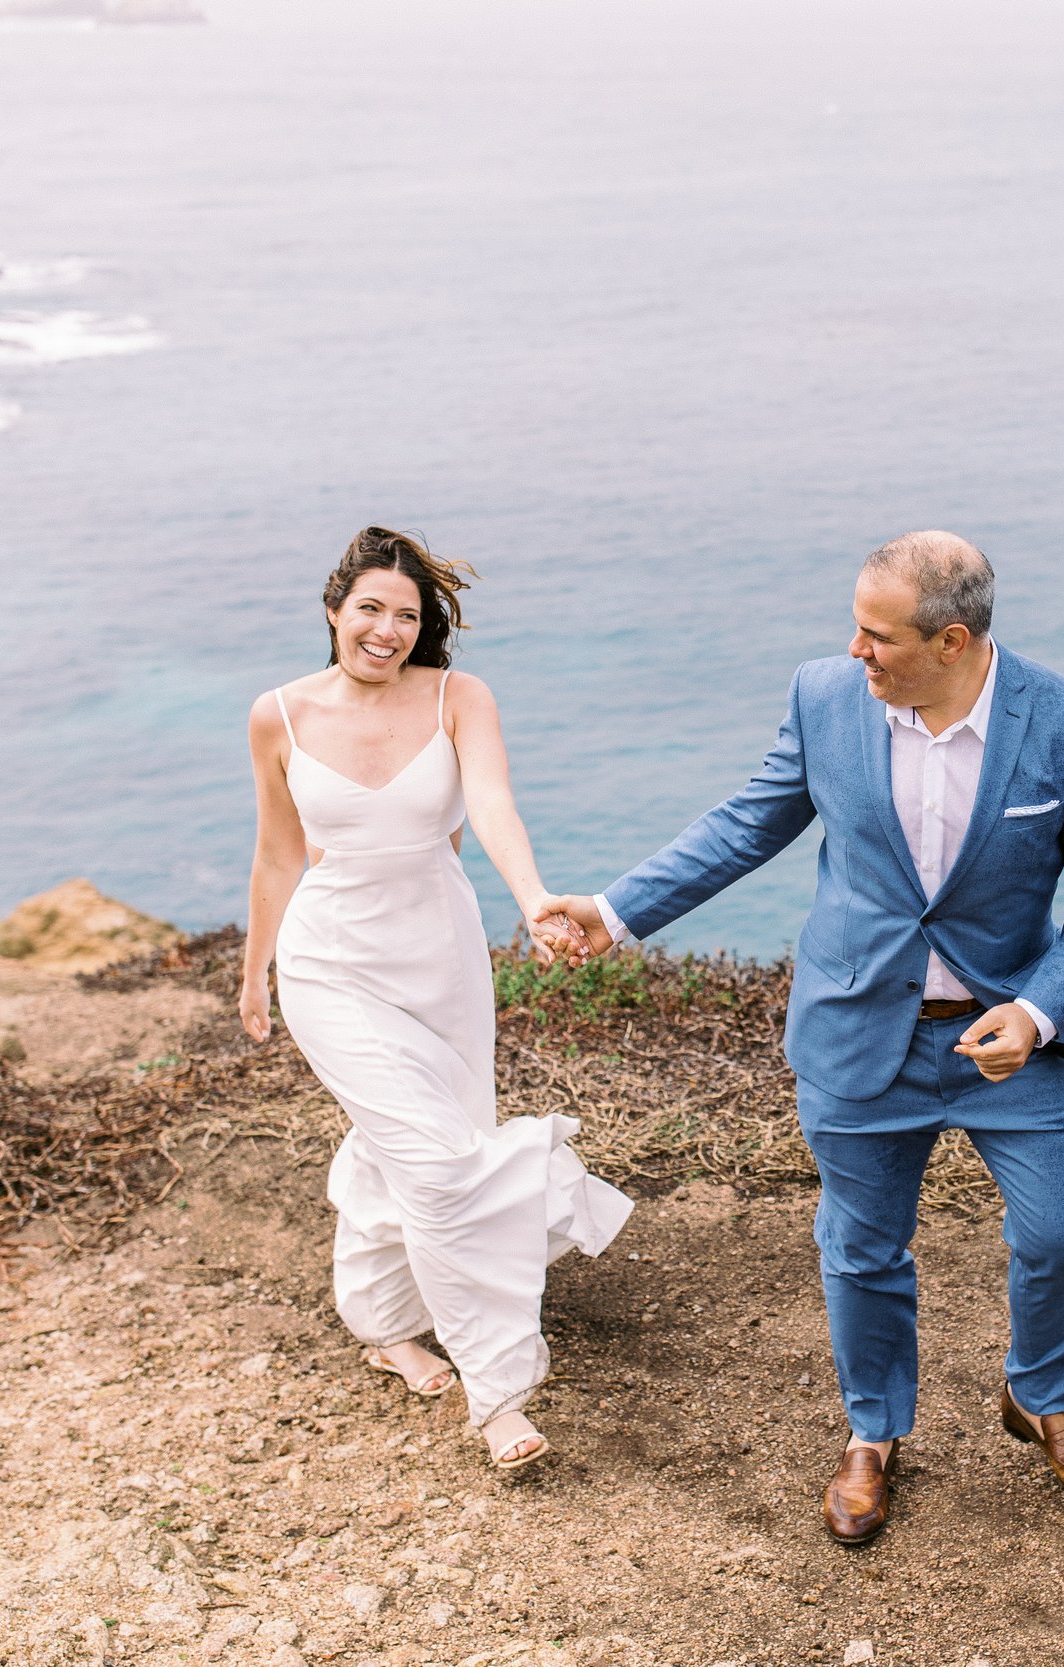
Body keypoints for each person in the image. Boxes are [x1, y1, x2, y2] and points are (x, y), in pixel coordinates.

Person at [538, 530, 1064, 1543]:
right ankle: (873, 1430)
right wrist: (616, 909)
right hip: (861, 1027)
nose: (854, 651)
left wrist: (1038, 1008)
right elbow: (747, 823)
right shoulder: (825, 696)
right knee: (863, 1249)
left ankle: (1043, 1394)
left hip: (1012, 1038)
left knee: (1060, 1238)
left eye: (877, 635)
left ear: (951, 641)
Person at [239, 525, 631, 1472]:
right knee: (440, 1160)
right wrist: (256, 969)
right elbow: (280, 852)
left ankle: (381, 1321)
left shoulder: (461, 698)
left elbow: (491, 806)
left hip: (442, 957)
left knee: (409, 1144)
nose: (387, 630)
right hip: (330, 961)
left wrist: (534, 898)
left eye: (407, 616)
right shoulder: (278, 715)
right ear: (334, 610)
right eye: (369, 608)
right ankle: (498, 1389)